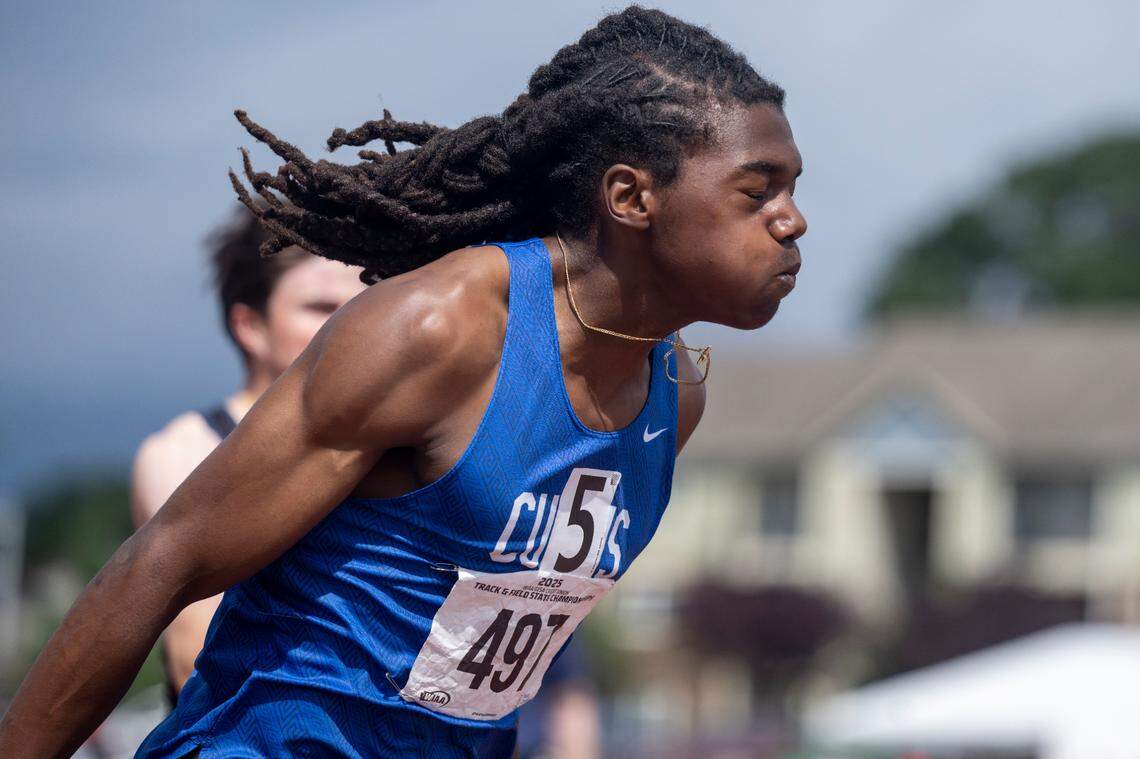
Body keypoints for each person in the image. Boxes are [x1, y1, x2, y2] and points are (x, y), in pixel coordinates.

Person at [0, 6, 805, 757]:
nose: (792, 219)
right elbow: (160, 563)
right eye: (757, 190)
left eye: (794, 189)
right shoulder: (440, 329)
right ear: (631, 197)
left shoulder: (675, 395)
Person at [129, 211, 365, 707]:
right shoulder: (184, 452)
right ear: (250, 325)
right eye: (320, 307)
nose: (349, 325)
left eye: (363, 304)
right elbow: (199, 654)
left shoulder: (385, 447)